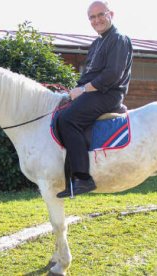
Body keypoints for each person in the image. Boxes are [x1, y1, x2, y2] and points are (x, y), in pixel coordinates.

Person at [56, 1, 133, 198]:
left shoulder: (119, 39)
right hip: (93, 93)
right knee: (59, 113)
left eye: (100, 15)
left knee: (67, 119)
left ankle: (83, 178)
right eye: (92, 17)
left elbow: (112, 75)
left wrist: (82, 90)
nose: (96, 20)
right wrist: (73, 91)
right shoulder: (97, 43)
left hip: (108, 95)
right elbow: (89, 74)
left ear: (111, 14)